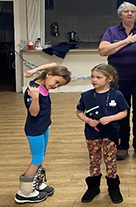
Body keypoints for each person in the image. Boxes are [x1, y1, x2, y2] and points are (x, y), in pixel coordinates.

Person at [98, 1, 136, 160]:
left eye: (132, 11)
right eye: (126, 11)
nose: (129, 13)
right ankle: (121, 146)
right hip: (118, 80)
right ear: (120, 15)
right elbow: (103, 51)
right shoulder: (111, 31)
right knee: (120, 113)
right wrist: (127, 41)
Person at [15, 63, 71, 204]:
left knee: (41, 156)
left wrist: (34, 69)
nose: (56, 86)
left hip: (43, 127)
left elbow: (53, 64)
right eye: (56, 82)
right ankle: (24, 192)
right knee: (37, 159)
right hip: (35, 130)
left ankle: (37, 183)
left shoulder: (44, 85)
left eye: (59, 85)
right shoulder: (33, 89)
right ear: (49, 75)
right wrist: (34, 98)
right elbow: (34, 113)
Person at [76, 64, 129, 204]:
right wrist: (87, 120)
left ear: (109, 79)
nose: (94, 80)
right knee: (94, 159)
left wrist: (110, 118)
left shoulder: (117, 94)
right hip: (92, 134)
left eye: (98, 77)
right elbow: (79, 112)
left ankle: (113, 188)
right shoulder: (86, 95)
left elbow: (124, 112)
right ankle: (93, 187)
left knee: (110, 160)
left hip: (110, 133)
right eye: (92, 76)